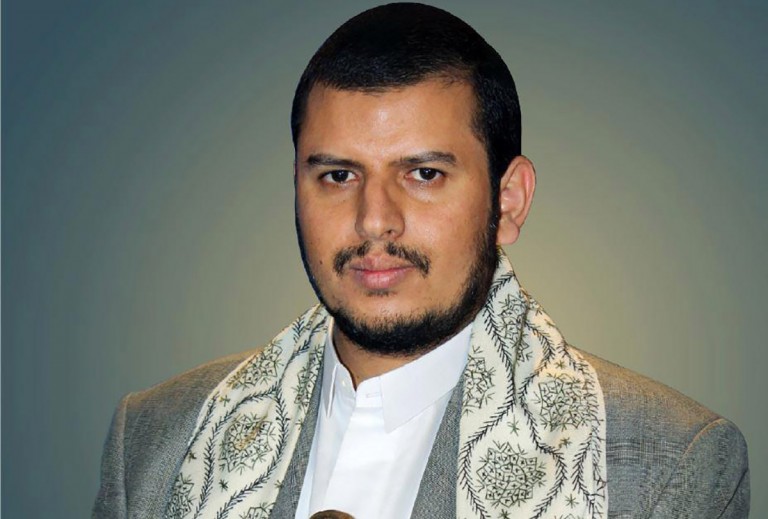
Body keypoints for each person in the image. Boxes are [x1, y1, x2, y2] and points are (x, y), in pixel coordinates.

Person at [93, 3, 749, 518]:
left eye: (424, 173)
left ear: (509, 200)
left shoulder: (667, 465)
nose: (375, 219)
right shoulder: (156, 441)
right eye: (338, 175)